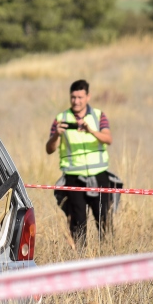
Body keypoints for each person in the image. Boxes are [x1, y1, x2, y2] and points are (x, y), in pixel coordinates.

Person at [46, 79, 114, 246]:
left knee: (104, 219)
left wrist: (90, 130)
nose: (76, 101)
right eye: (73, 97)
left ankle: (107, 254)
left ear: (88, 96)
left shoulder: (98, 116)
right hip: (73, 177)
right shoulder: (61, 118)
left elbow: (108, 139)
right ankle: (81, 257)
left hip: (99, 176)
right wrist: (57, 135)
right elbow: (49, 149)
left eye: (80, 97)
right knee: (77, 222)